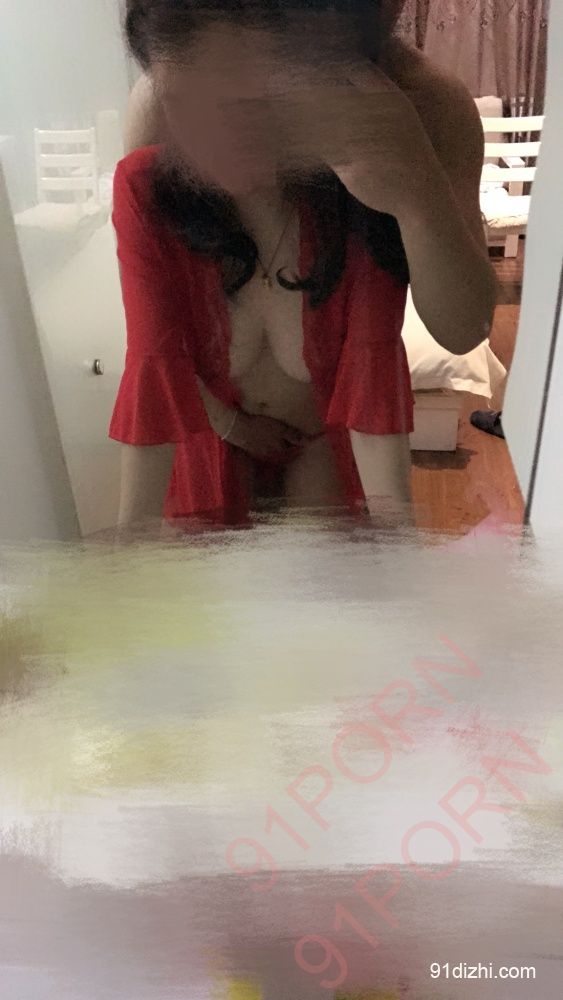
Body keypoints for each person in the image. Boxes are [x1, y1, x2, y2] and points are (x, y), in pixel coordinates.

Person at [109, 0, 497, 531]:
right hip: (211, 426)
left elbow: (461, 330)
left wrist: (416, 195)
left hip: (327, 435)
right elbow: (158, 340)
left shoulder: (421, 101)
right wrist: (229, 426)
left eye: (254, 105)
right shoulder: (167, 94)